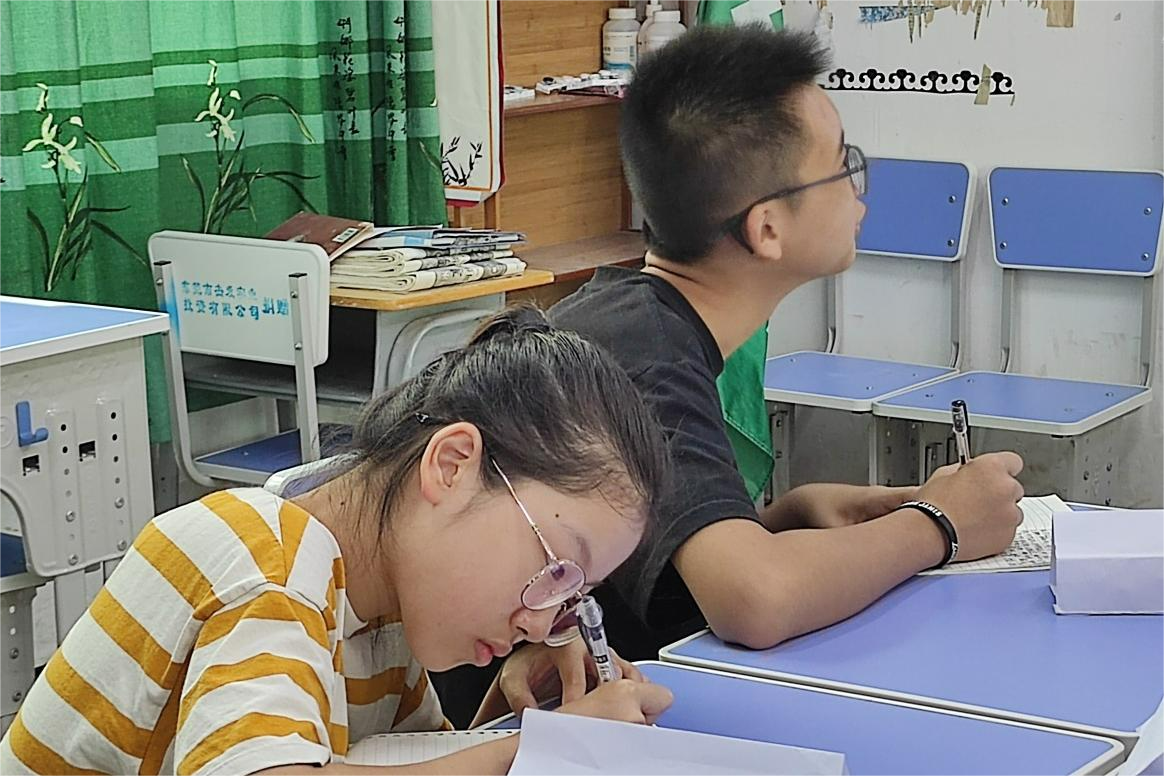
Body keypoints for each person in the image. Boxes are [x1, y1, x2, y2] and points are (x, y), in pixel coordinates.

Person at [511, 24, 1025, 676]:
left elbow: (667, 562)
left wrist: (784, 519)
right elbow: (755, 602)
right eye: (842, 164)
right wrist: (941, 523)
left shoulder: (629, 318)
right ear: (768, 228)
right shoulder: (644, 362)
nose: (858, 189)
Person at [0, 306, 673, 775]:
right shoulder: (268, 560)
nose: (542, 625)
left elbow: (398, 764)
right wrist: (546, 749)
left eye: (573, 599)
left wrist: (511, 711)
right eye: (557, 569)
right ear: (451, 466)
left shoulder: (383, 601)